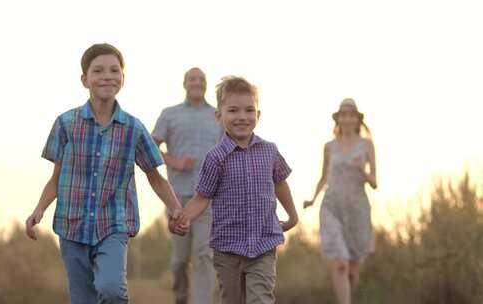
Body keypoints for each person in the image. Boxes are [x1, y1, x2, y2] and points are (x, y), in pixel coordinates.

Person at [25, 43, 184, 304]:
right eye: (98, 71)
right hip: (71, 224)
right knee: (83, 298)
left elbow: (155, 176)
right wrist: (38, 210)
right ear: (85, 79)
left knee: (111, 290)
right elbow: (56, 179)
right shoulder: (66, 123)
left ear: (123, 78)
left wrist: (176, 208)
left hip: (113, 224)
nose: (107, 76)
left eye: (114, 70)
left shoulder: (133, 128)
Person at [175, 76, 299, 304]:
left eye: (249, 110)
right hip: (228, 248)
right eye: (233, 110)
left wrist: (292, 214)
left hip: (263, 243)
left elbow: (280, 182)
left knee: (260, 299)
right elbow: (203, 196)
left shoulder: (269, 151)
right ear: (218, 116)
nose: (242, 117)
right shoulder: (215, 157)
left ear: (258, 116)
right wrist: (184, 218)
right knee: (232, 299)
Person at [152, 67, 222, 304]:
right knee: (180, 260)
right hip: (176, 197)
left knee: (205, 255)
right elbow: (151, 148)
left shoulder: (218, 116)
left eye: (201, 79)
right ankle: (181, 298)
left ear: (205, 84)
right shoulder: (169, 114)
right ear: (185, 84)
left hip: (208, 198)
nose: (197, 82)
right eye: (192, 78)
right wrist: (175, 161)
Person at [304, 98, 377, 304]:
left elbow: (375, 183)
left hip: (357, 210)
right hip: (332, 206)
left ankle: (348, 298)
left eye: (351, 115)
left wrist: (362, 170)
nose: (347, 119)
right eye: (343, 115)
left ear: (357, 119)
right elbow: (323, 177)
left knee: (352, 268)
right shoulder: (329, 146)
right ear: (338, 119)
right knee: (340, 263)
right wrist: (312, 199)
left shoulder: (367, 145)